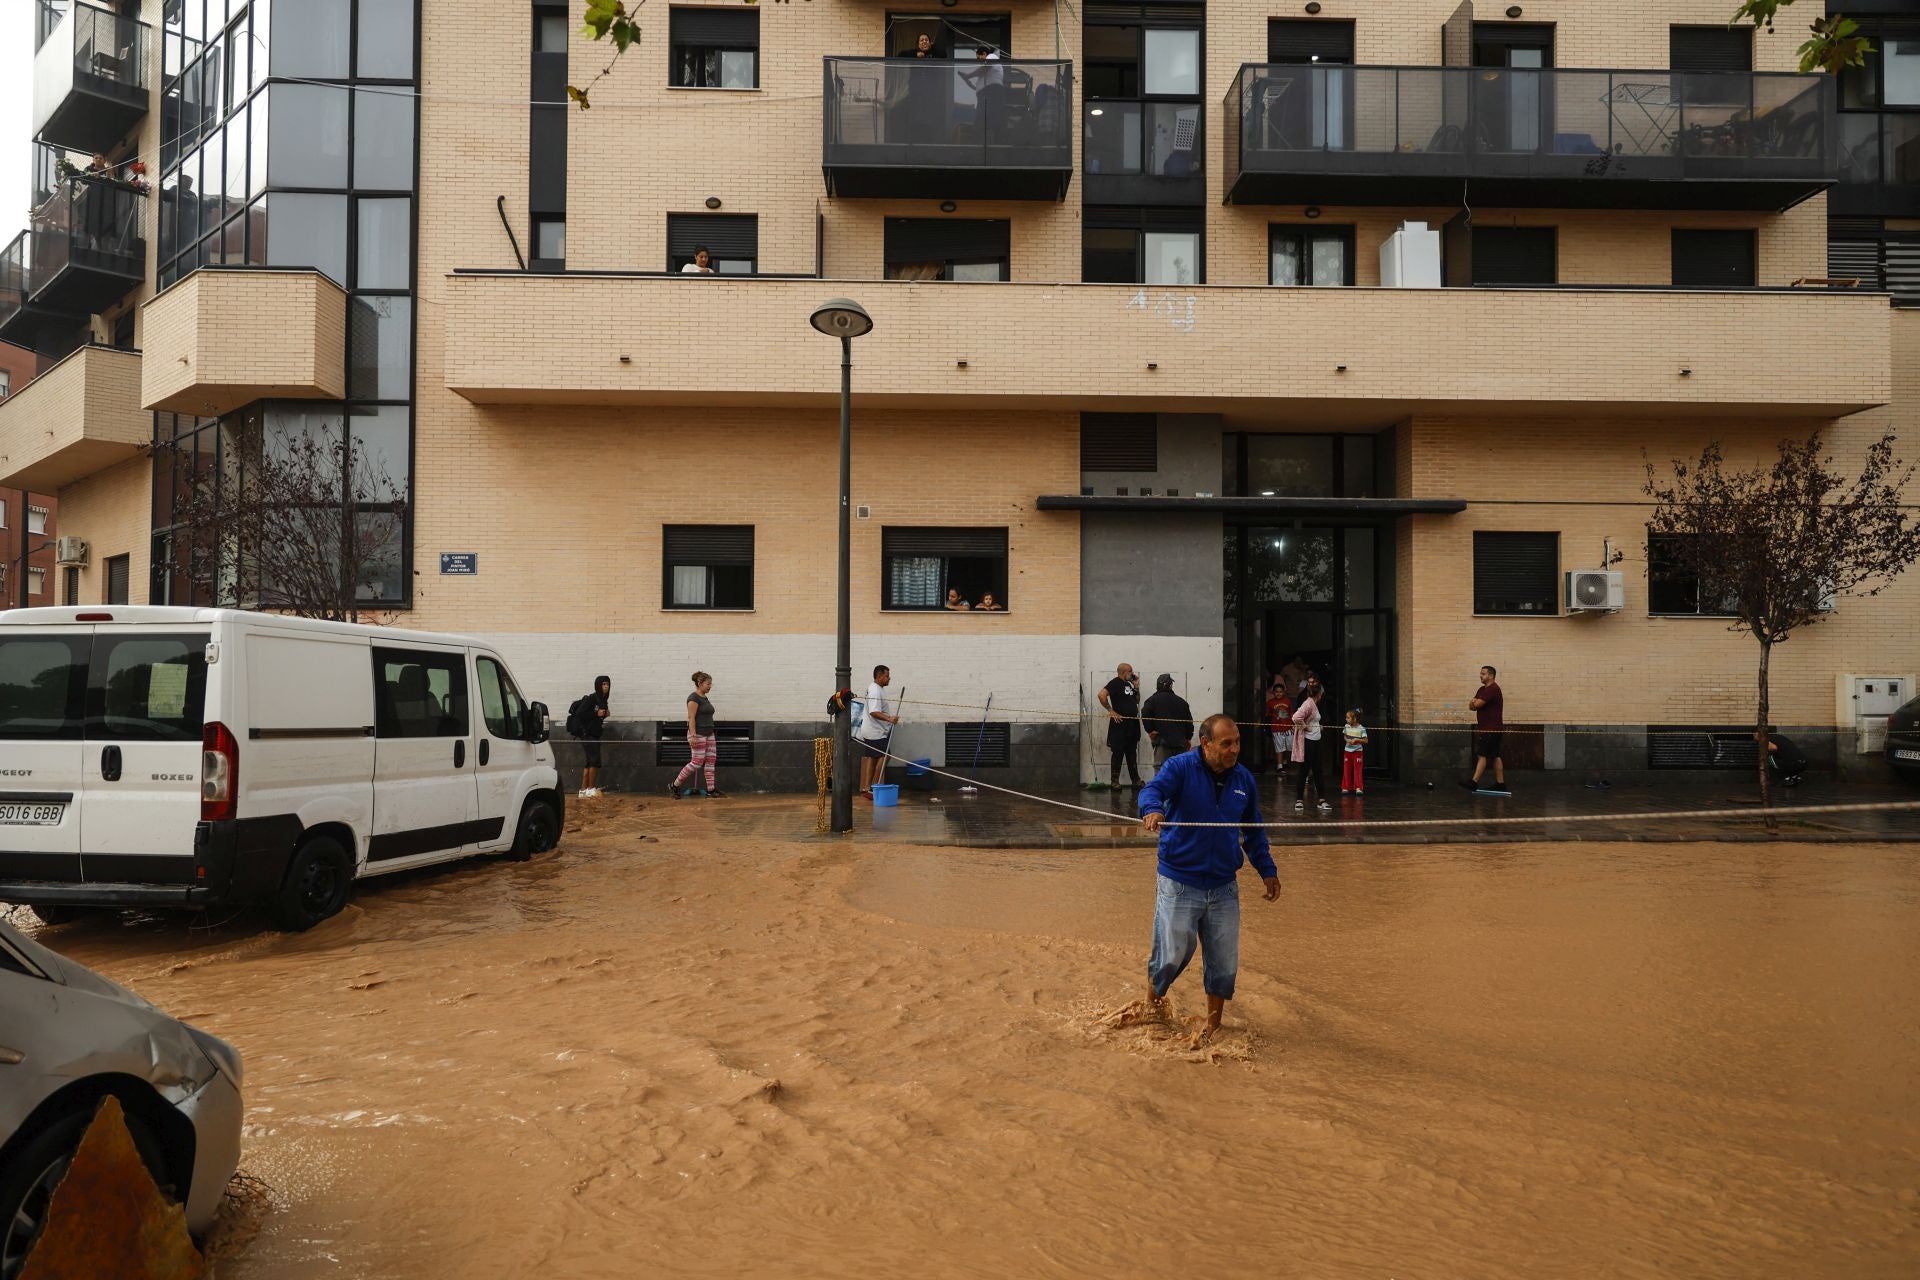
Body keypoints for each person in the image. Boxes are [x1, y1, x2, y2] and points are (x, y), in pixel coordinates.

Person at [1127, 714, 1282, 1044]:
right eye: (1226, 743)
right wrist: (1152, 809)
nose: (1234, 749)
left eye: (1237, 742)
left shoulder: (1243, 780)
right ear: (1205, 743)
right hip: (1179, 881)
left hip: (1224, 885)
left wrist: (1267, 870)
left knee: (1224, 961)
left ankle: (1214, 1025)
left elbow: (1253, 831)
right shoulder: (1179, 768)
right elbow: (1152, 790)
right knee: (1171, 954)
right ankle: (1152, 1009)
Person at [669, 672, 725, 799]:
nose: (710, 686)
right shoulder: (693, 698)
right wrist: (693, 736)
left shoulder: (704, 697)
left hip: (709, 733)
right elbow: (691, 718)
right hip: (697, 734)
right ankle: (675, 785)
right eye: (708, 684)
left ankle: (711, 790)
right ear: (700, 684)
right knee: (696, 762)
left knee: (710, 762)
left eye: (711, 684)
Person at [1098, 662, 1144, 788]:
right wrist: (1111, 711)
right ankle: (1114, 782)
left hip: (1132, 725)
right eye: (1131, 671)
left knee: (1131, 753)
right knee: (1117, 753)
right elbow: (1101, 695)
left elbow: (1137, 701)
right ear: (1124, 672)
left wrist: (1136, 686)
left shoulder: (1130, 684)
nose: (1133, 674)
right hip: (1119, 725)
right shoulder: (1115, 683)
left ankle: (1136, 780)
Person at [856, 664, 899, 796]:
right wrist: (889, 718)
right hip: (875, 732)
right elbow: (874, 711)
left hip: (873, 730)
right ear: (879, 676)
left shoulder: (875, 688)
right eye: (887, 676)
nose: (889, 678)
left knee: (872, 758)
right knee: (885, 756)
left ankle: (867, 788)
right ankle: (874, 786)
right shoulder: (875, 690)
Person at [1291, 676, 1331, 813]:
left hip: (1316, 741)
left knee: (1318, 770)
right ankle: (1299, 800)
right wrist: (1305, 727)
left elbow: (1314, 720)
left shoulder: (1314, 704)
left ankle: (1321, 799)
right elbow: (1296, 717)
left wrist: (1317, 726)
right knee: (1304, 770)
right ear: (1319, 693)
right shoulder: (1308, 703)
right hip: (1308, 742)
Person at [1140, 674, 1194, 775]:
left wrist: (1151, 730)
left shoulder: (1152, 701)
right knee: (1180, 774)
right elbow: (1189, 723)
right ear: (1170, 686)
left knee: (1162, 775)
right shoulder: (1182, 702)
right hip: (1180, 745)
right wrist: (1188, 738)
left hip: (1162, 744)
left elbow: (1145, 714)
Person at [1465, 664, 1505, 791]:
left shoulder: (1493, 689)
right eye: (1481, 673)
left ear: (1491, 676)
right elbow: (1471, 706)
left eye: (1483, 674)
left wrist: (1474, 702)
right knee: (1495, 756)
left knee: (1482, 755)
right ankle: (1500, 784)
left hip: (1492, 729)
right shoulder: (1482, 689)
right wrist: (1473, 703)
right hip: (1487, 729)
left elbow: (1477, 704)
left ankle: (1474, 782)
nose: (1480, 676)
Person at [573, 675, 610, 798]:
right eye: (604, 684)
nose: (606, 687)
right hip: (587, 733)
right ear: (598, 686)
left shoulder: (603, 700)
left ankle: (583, 790)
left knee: (590, 761)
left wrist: (604, 714)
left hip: (594, 733)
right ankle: (591, 788)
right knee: (595, 760)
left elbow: (597, 717)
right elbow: (580, 714)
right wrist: (596, 713)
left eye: (607, 684)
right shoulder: (592, 698)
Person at [1264, 677, 1293, 775]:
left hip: (1288, 728)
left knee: (1289, 747)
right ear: (1273, 692)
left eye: (1280, 692)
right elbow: (1267, 714)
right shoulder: (1270, 702)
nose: (1278, 693)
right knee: (1279, 747)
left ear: (1284, 692)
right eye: (1277, 692)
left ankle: (1285, 761)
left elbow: (1292, 714)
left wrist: (1293, 725)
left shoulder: (1288, 701)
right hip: (1276, 728)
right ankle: (1279, 766)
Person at [1340, 708, 1368, 796]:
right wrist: (1348, 740)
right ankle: (1346, 787)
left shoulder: (1362, 729)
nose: (1346, 719)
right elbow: (1345, 736)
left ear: (1355, 718)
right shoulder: (1346, 726)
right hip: (1347, 751)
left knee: (1357, 770)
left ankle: (1358, 787)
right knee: (1347, 769)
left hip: (1357, 752)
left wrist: (1357, 740)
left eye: (1348, 718)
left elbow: (1366, 740)